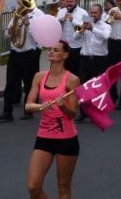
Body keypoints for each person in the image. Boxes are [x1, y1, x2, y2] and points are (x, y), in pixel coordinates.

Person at [26, 40, 80, 199]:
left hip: (66, 138)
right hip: (44, 136)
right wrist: (41, 107)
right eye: (50, 49)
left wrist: (63, 106)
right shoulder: (39, 76)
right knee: (33, 186)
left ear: (65, 55)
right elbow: (28, 105)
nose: (51, 52)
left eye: (56, 50)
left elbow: (74, 114)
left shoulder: (72, 80)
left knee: (63, 187)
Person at [0, 0, 44, 122]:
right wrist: (10, 31)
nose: (23, 6)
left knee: (29, 84)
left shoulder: (39, 15)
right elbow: (7, 35)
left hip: (30, 54)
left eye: (26, 4)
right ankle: (7, 112)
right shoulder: (18, 13)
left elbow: (40, 36)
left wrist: (29, 25)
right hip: (15, 52)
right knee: (10, 83)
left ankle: (28, 110)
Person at [76, 4, 111, 121]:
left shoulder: (105, 26)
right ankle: (84, 112)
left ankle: (97, 112)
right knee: (83, 87)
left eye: (95, 13)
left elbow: (106, 36)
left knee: (98, 88)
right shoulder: (84, 24)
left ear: (101, 14)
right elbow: (74, 37)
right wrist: (81, 29)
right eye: (91, 12)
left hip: (99, 60)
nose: (93, 15)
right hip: (85, 59)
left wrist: (93, 28)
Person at [57, 0, 88, 75]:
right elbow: (55, 28)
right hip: (64, 46)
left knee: (76, 72)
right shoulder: (61, 11)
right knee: (63, 72)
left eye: (71, 1)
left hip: (77, 47)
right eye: (67, 1)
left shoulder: (84, 12)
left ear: (76, 1)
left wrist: (73, 20)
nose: (69, 4)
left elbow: (87, 27)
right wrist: (60, 21)